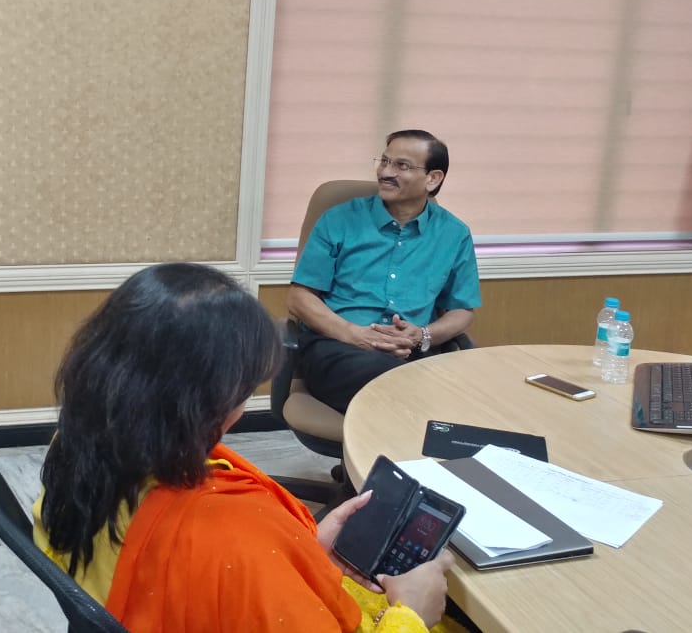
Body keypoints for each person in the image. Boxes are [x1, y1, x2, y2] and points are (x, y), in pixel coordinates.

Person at [34, 263, 460, 632]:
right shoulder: (235, 535)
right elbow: (236, 567)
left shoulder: (75, 447)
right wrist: (411, 613)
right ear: (216, 402)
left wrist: (302, 553)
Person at [288, 129, 481, 414]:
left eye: (401, 165)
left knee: (464, 389)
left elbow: (462, 310)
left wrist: (423, 335)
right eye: (385, 161)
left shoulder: (454, 234)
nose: (386, 172)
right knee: (410, 391)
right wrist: (354, 334)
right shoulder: (339, 219)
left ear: (433, 178)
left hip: (412, 354)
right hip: (339, 349)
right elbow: (299, 298)